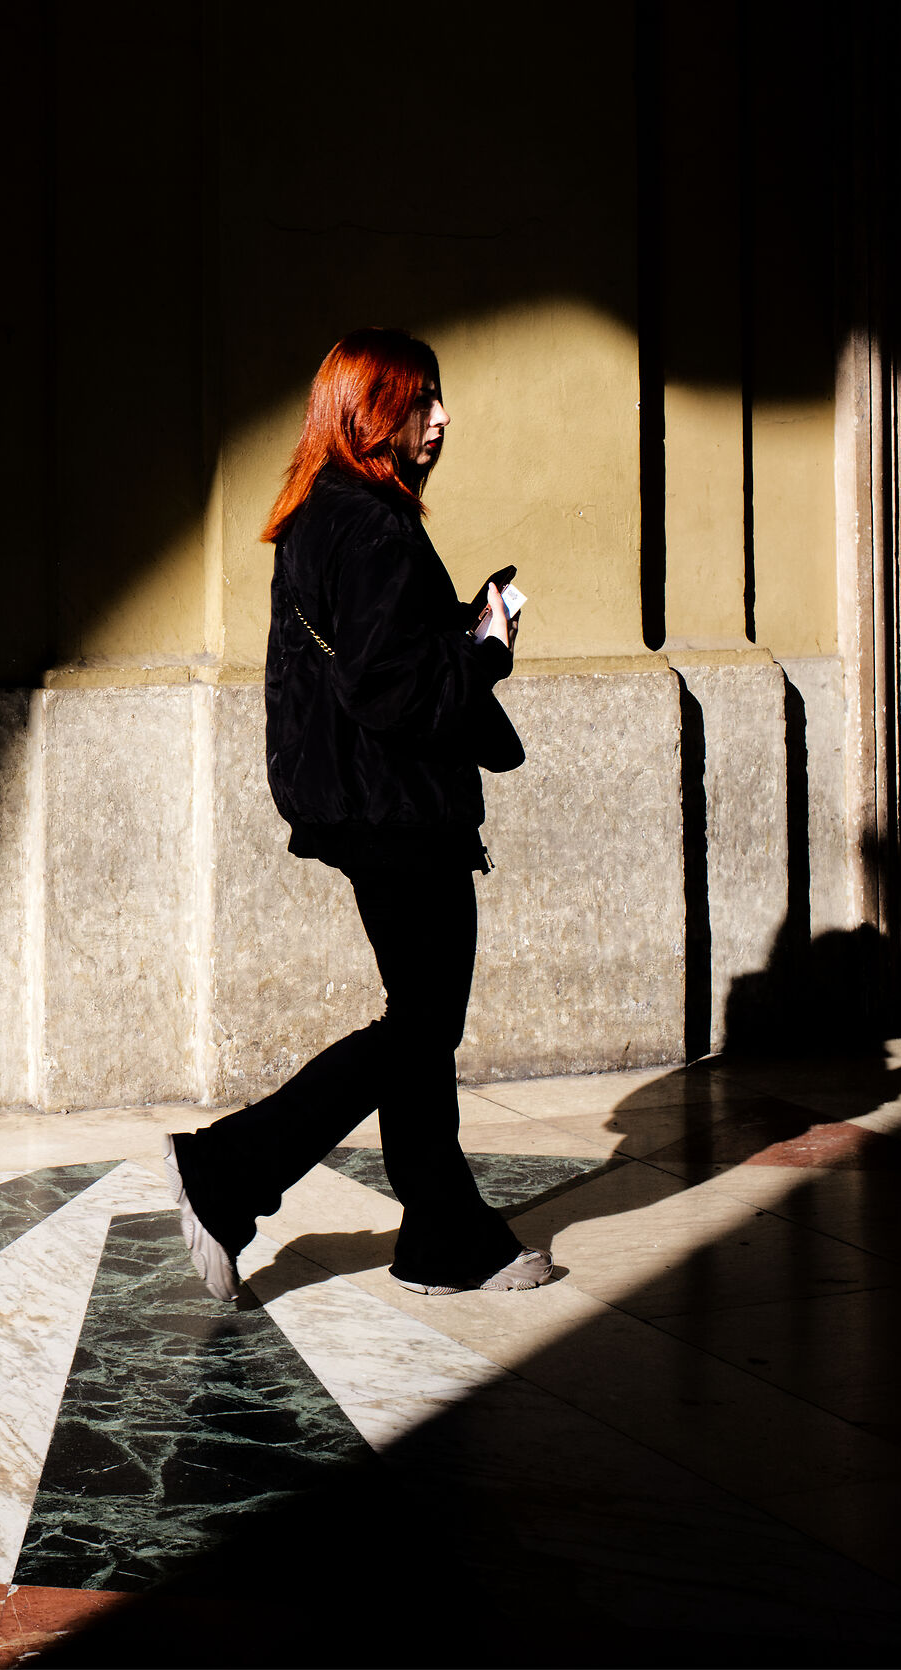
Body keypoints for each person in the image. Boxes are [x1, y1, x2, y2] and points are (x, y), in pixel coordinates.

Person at [160, 326, 558, 1300]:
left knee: (422, 1023)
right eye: (423, 401)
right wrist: (489, 647)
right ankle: (226, 1170)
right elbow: (394, 689)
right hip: (396, 808)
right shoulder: (370, 523)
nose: (442, 419)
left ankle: (442, 1235)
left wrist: (454, 632)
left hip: (367, 803)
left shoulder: (323, 512)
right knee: (420, 1025)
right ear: (370, 413)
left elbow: (380, 661)